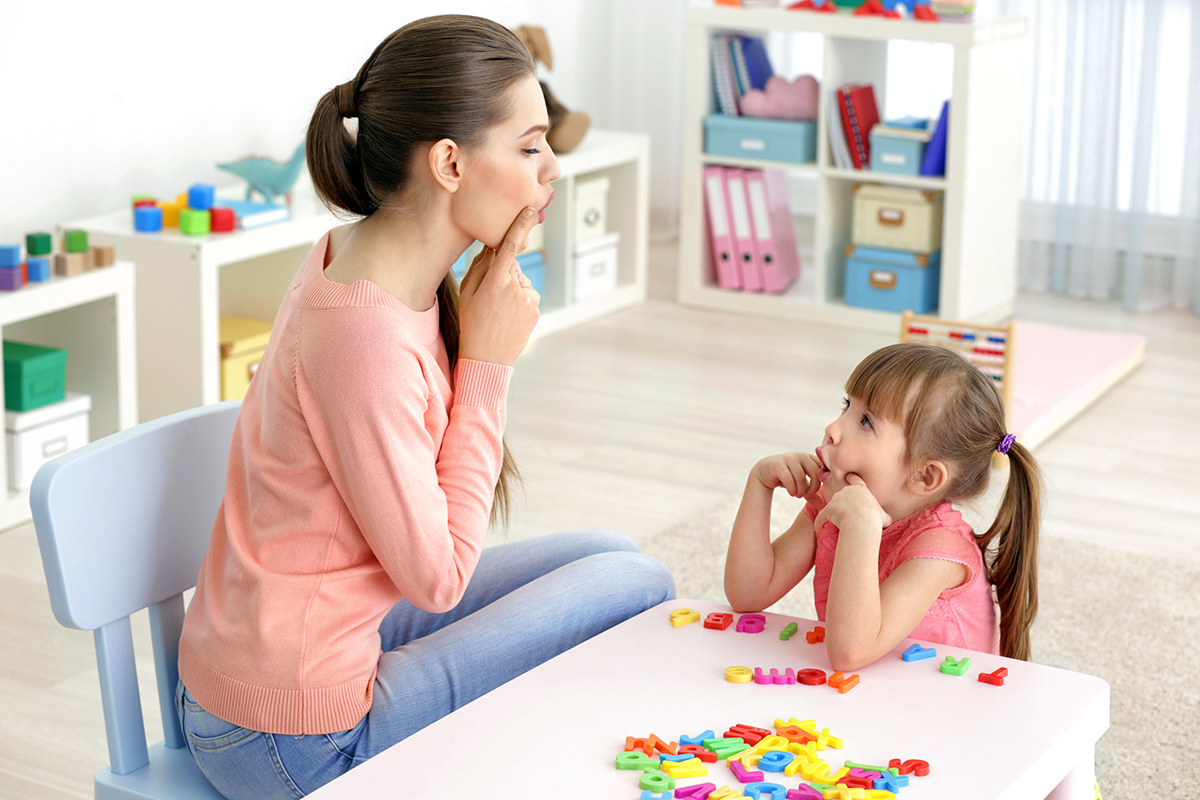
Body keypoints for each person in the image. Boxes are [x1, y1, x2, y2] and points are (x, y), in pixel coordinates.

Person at [175, 15, 674, 799]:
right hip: (290, 736)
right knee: (637, 585)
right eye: (530, 144)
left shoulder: (368, 261)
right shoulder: (362, 337)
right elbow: (439, 579)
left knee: (606, 554)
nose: (552, 170)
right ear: (448, 162)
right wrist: (487, 366)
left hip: (312, 645)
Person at [724, 342, 1041, 672]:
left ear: (925, 475)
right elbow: (748, 594)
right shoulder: (836, 502)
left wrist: (861, 528)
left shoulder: (939, 551)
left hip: (949, 710)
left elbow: (850, 653)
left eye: (865, 421)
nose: (833, 428)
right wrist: (759, 486)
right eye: (847, 405)